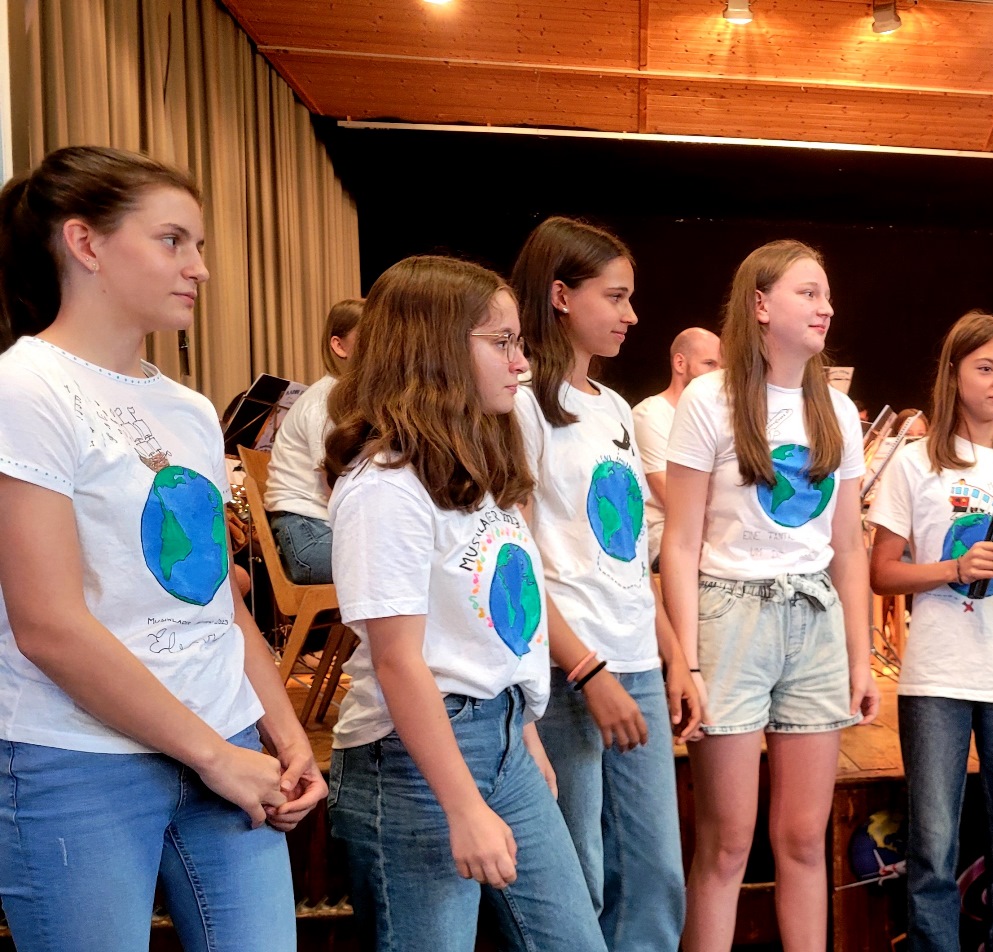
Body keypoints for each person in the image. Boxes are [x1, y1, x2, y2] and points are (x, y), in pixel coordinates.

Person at [0, 145, 324, 950]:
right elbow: (48, 626)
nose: (199, 268)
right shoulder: (26, 387)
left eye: (198, 245)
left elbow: (218, 603)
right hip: (81, 760)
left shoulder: (185, 407)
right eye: (173, 241)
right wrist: (214, 756)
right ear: (86, 243)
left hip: (226, 743)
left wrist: (282, 733)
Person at [323, 255, 603, 951]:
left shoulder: (472, 470)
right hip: (416, 761)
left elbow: (495, 627)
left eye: (519, 343)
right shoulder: (384, 488)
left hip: (501, 736)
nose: (522, 363)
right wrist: (463, 804)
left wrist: (523, 731)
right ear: (437, 350)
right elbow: (398, 662)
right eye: (502, 343)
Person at [660, 240, 878, 952]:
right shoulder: (709, 400)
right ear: (760, 304)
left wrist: (860, 659)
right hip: (730, 617)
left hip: (814, 618)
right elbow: (681, 542)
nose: (826, 307)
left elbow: (849, 547)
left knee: (804, 839)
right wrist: (687, 661)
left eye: (827, 295)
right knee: (727, 843)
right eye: (808, 293)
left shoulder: (837, 411)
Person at [509, 217, 705, 951]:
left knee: (656, 876)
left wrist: (674, 656)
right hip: (570, 671)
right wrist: (587, 671)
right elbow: (517, 560)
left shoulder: (615, 407)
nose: (631, 315)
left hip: (635, 661)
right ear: (561, 295)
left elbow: (624, 556)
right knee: (580, 878)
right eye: (615, 297)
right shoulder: (521, 403)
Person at [868, 311, 993, 952]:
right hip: (937, 678)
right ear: (953, 374)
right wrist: (952, 569)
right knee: (933, 849)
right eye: (985, 368)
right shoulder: (914, 463)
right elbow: (881, 572)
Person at [263, 297, 363, 584]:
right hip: (307, 535)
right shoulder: (327, 399)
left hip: (320, 529)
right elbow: (333, 481)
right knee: (403, 565)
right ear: (339, 346)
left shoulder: (350, 397)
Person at [635, 326, 722, 567]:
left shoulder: (719, 417)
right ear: (680, 363)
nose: (719, 374)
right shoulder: (650, 415)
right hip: (667, 538)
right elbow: (673, 499)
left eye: (722, 366)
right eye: (710, 364)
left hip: (715, 535)